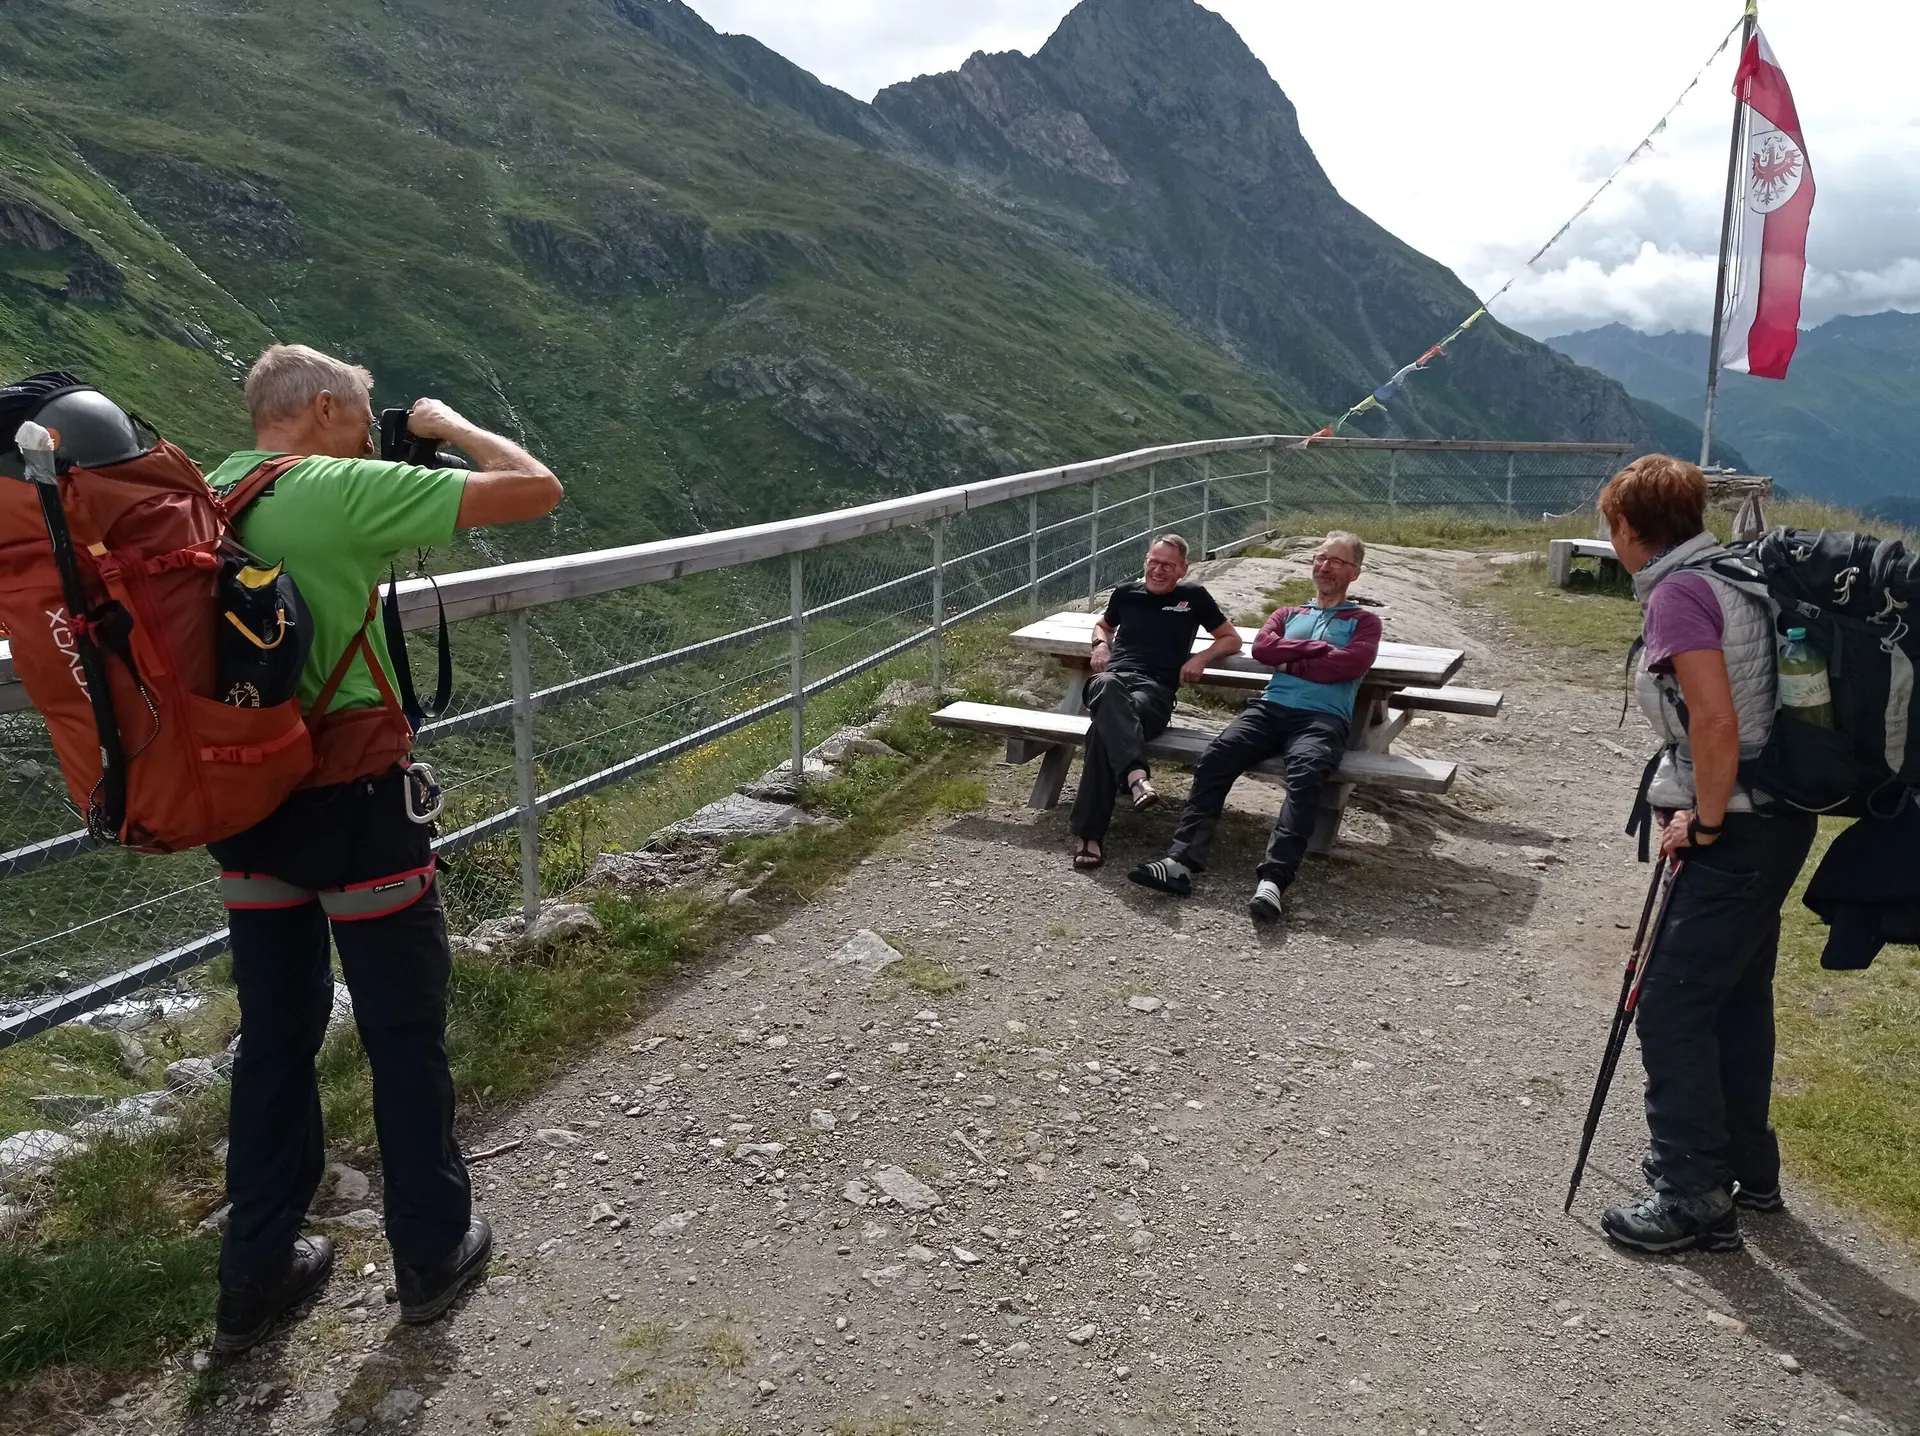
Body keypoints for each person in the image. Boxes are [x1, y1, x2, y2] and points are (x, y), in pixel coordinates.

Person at [203, 345, 563, 1352]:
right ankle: (429, 1251)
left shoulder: (208, 488)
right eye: (363, 415)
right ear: (322, 408)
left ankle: (255, 1273)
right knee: (403, 1030)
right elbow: (535, 490)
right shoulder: (342, 484)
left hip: (244, 798)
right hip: (355, 800)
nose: (374, 431)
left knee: (275, 1035)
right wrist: (444, 427)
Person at [1598, 454, 1816, 1255]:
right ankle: (1749, 1171)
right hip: (1782, 815)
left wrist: (1708, 821)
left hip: (1740, 826)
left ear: (1626, 527)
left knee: (1671, 1001)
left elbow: (1716, 722)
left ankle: (1693, 1193)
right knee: (1734, 996)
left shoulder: (1680, 593)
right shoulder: (1732, 571)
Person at [1129, 531, 1379, 923]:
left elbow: (1350, 664)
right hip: (1269, 708)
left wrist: (1291, 658)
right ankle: (1180, 861)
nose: (1324, 566)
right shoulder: (1287, 614)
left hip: (1322, 719)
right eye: (1320, 558)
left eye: (1336, 561)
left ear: (1355, 573)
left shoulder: (1364, 622)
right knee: (1217, 755)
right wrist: (1317, 652)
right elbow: (1262, 649)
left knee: (1306, 774)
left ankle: (1274, 880)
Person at [1070, 534, 1240, 869]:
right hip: (1110, 683)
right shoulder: (1125, 594)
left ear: (1182, 570)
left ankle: (1089, 836)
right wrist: (1100, 645)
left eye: (1167, 565)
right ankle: (1136, 777)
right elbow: (1103, 626)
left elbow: (1230, 638)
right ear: (1145, 561)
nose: (1158, 570)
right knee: (1105, 685)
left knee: (1101, 734)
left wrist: (1202, 657)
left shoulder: (1193, 598)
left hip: (1155, 693)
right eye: (1153, 562)